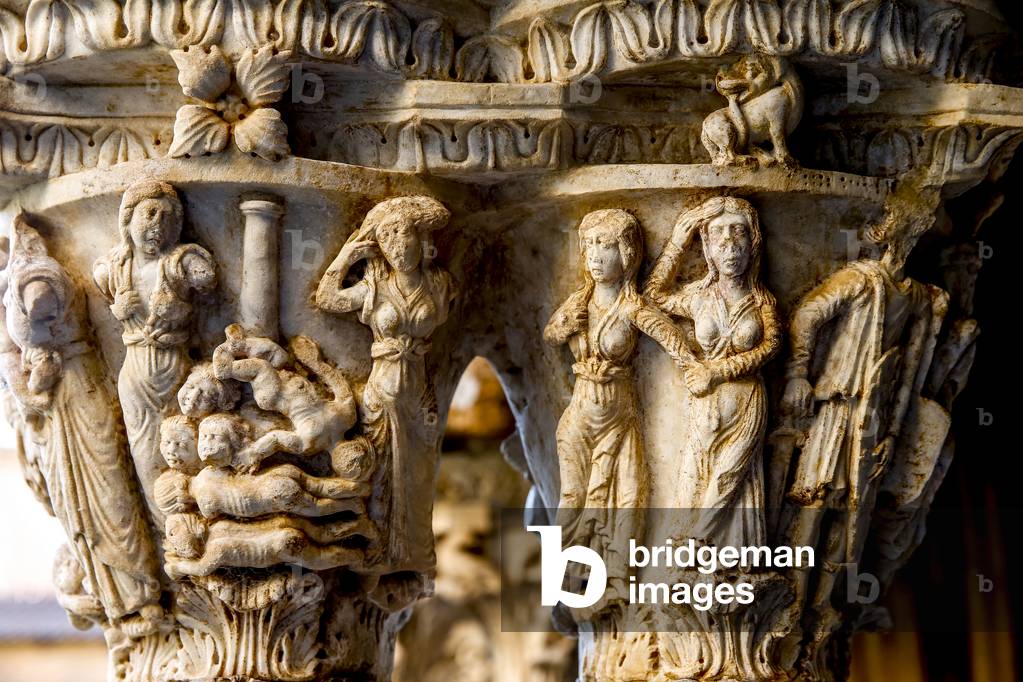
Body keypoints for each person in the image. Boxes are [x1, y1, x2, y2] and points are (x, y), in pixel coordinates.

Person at [544, 208, 690, 617]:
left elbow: (668, 333)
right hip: (579, 416)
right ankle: (568, 576)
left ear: (626, 254)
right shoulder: (579, 302)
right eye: (589, 245)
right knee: (572, 496)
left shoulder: (631, 308)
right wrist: (563, 325)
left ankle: (616, 581)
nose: (594, 256)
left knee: (628, 496)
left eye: (605, 246)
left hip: (618, 418)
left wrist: (695, 368)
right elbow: (551, 334)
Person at [315, 196, 456, 574]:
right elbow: (327, 300)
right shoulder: (375, 285)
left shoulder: (439, 284)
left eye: (403, 236)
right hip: (381, 392)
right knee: (382, 479)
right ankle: (377, 553)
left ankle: (413, 555)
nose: (396, 247)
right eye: (388, 239)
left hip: (419, 393)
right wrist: (345, 257)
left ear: (418, 239)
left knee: (418, 478)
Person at [645, 197, 781, 548]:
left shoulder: (761, 300)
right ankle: (680, 546)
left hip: (746, 398)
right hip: (706, 403)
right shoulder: (697, 297)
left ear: (753, 242)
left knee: (730, 476)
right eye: (718, 232)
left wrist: (720, 371)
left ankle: (697, 544)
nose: (729, 242)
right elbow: (654, 295)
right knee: (695, 474)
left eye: (738, 231)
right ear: (706, 245)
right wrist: (680, 235)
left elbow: (771, 347)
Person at [93, 181, 216, 518]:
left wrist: (182, 305)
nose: (157, 226)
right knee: (144, 453)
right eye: (149, 214)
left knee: (180, 449)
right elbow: (100, 282)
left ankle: (188, 520)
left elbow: (206, 277)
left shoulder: (178, 260)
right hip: (134, 374)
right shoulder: (114, 267)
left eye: (167, 218)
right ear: (127, 219)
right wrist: (118, 309)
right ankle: (162, 523)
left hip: (173, 368)